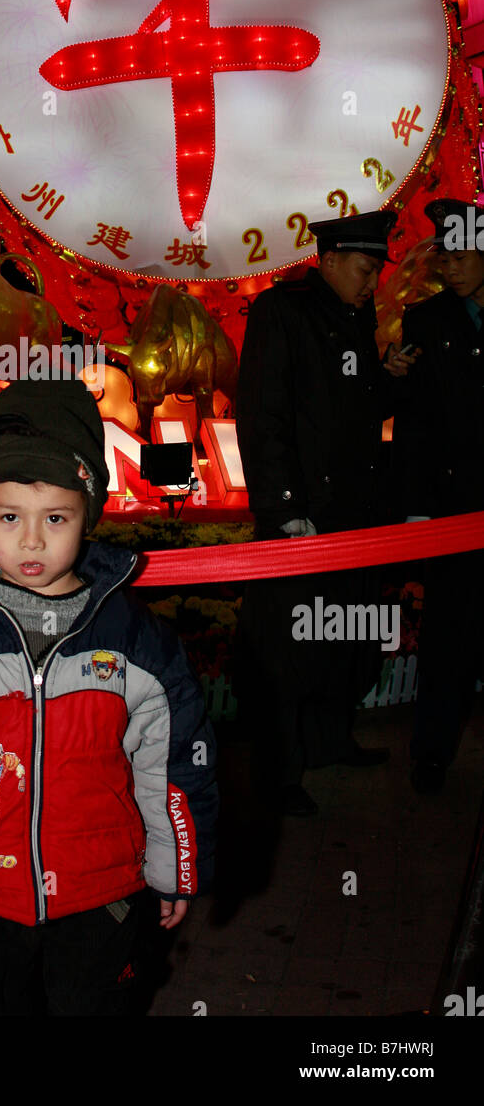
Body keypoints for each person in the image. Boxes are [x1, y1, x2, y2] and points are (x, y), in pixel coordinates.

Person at [0, 378, 218, 1015]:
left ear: (89, 514)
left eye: (55, 517)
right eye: (9, 518)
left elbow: (174, 765)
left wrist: (174, 869)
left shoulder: (137, 639)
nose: (31, 540)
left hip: (101, 893)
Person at [235, 209, 415, 817]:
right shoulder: (280, 312)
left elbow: (352, 410)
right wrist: (283, 507)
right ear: (330, 259)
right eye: (365, 270)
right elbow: (263, 417)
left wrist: (386, 381)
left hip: (354, 514)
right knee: (290, 644)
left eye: (376, 273)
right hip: (303, 516)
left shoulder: (354, 314)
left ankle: (332, 740)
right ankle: (282, 772)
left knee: (349, 632)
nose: (372, 285)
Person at [392, 198, 484, 794]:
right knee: (448, 633)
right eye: (442, 257)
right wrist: (418, 505)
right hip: (454, 507)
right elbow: (417, 424)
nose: (447, 267)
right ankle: (431, 755)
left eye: (459, 255)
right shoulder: (426, 322)